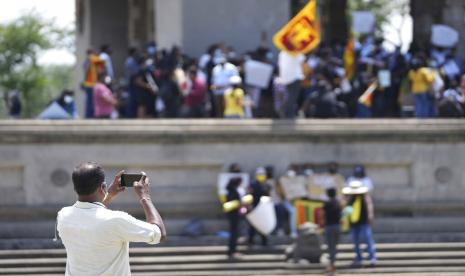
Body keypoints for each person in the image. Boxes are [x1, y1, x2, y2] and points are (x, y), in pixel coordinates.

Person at [57, 162, 166, 275]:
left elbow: (92, 218)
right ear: (102, 187)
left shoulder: (63, 215)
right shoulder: (116, 220)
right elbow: (159, 234)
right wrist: (145, 197)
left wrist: (108, 195)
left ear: (75, 188)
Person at [342, 180, 376, 267]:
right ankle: (359, 257)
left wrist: (370, 215)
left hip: (364, 221)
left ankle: (372, 258)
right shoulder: (349, 197)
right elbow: (346, 208)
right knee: (355, 241)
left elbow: (369, 205)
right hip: (353, 222)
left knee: (368, 239)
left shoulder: (364, 196)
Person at [278, 50, 305, 118]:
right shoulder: (296, 52)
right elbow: (302, 60)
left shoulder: (282, 53)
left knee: (289, 96)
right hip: (295, 77)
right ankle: (287, 112)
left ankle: (286, 111)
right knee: (293, 97)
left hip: (286, 78)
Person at [248, 167, 270, 246]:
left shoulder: (266, 184)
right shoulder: (252, 184)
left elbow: (268, 196)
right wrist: (250, 205)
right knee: (253, 225)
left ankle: (264, 241)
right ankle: (250, 240)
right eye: (259, 174)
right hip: (254, 206)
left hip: (263, 207)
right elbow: (249, 195)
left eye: (262, 174)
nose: (261, 175)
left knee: (263, 225)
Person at [322, 188, 341, 275]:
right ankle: (332, 266)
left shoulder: (326, 204)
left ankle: (332, 267)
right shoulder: (338, 203)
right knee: (334, 247)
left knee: (330, 247)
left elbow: (322, 215)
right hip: (337, 227)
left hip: (329, 227)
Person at [82, 49, 105, 118]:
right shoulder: (93, 59)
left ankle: (89, 116)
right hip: (93, 84)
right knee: (92, 101)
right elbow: (102, 65)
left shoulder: (87, 61)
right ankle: (91, 116)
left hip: (88, 84)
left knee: (89, 101)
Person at [224, 177, 244, 259]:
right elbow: (234, 203)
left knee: (234, 233)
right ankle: (232, 251)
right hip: (234, 215)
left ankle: (232, 251)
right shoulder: (233, 191)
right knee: (234, 234)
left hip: (233, 214)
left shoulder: (230, 191)